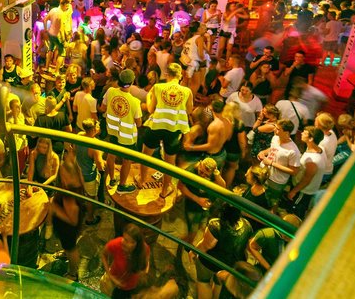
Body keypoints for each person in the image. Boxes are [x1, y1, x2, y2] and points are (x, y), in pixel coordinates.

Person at [139, 63, 193, 198]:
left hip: (156, 126)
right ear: (180, 76)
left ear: (167, 74)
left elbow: (151, 109)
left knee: (146, 156)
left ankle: (141, 181)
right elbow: (189, 110)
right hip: (173, 130)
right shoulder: (187, 91)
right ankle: (164, 191)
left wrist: (149, 96)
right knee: (169, 163)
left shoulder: (158, 87)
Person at [193, 204, 253, 299]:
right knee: (219, 283)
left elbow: (207, 245)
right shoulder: (247, 225)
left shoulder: (215, 225)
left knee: (203, 282)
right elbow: (246, 247)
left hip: (209, 263)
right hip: (228, 266)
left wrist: (194, 252)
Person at [100, 69, 143, 193]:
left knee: (111, 155)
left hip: (112, 131)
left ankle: (112, 179)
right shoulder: (135, 102)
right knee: (126, 160)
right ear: (132, 82)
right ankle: (122, 186)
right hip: (127, 137)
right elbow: (139, 123)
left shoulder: (110, 91)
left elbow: (103, 108)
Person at [51, 142, 84, 281]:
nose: (61, 176)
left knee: (71, 248)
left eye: (64, 175)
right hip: (67, 225)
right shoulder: (75, 175)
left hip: (68, 226)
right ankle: (66, 253)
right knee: (68, 245)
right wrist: (71, 152)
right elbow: (70, 160)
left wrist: (55, 209)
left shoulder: (69, 194)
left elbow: (73, 220)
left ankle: (72, 273)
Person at [257, 119, 300, 210]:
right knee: (259, 199)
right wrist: (263, 152)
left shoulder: (293, 151)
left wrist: (271, 163)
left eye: (278, 129)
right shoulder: (275, 138)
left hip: (276, 181)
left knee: (272, 203)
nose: (274, 130)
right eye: (275, 127)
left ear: (286, 132)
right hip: (263, 173)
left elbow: (294, 171)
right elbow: (272, 149)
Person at [285, 126, 327, 218]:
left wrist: (294, 191)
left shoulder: (313, 160)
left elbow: (306, 179)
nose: (302, 133)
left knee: (295, 212)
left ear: (311, 139)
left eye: (305, 133)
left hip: (303, 191)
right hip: (300, 186)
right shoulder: (318, 149)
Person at [101, 223, 150, 298]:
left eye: (127, 240)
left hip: (132, 285)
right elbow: (103, 255)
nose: (123, 241)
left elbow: (146, 261)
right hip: (116, 282)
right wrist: (110, 276)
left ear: (135, 243)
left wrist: (145, 272)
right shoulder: (115, 244)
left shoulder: (144, 248)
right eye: (124, 237)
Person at [77, 119, 105, 225]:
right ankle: (90, 218)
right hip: (89, 176)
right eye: (98, 126)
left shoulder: (79, 135)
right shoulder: (95, 147)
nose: (99, 127)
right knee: (91, 198)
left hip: (78, 172)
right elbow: (100, 166)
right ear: (93, 129)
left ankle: (81, 210)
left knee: (81, 193)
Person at [45, 0, 73, 68]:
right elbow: (61, 29)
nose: (67, 8)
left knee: (50, 49)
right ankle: (57, 70)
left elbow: (45, 20)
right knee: (62, 53)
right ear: (62, 5)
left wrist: (46, 30)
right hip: (59, 34)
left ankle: (47, 67)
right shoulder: (61, 13)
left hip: (51, 33)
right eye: (66, 6)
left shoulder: (53, 10)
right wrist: (63, 40)